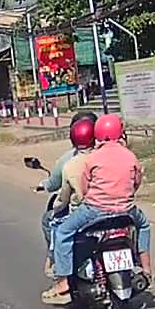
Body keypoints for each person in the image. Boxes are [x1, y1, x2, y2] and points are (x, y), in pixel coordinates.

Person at [41, 113, 154, 305]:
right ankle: (146, 268)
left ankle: (63, 282)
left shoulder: (92, 158)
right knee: (143, 226)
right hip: (126, 210)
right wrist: (124, 198)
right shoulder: (130, 156)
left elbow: (84, 187)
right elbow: (136, 182)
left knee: (63, 232)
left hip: (95, 210)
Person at [38, 111, 99, 275]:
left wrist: (57, 207)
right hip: (117, 208)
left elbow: (61, 194)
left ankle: (60, 271)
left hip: (86, 211)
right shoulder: (109, 155)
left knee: (56, 225)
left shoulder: (69, 162)